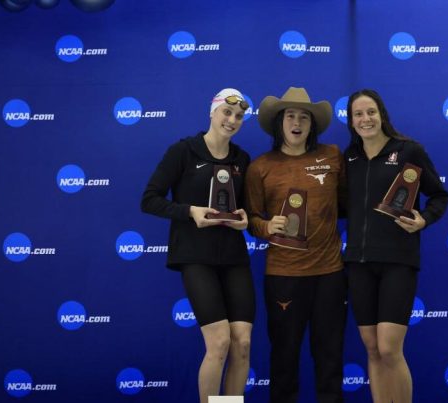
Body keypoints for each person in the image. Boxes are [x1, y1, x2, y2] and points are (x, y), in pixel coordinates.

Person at [141, 88, 254, 402]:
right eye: (227, 113)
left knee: (242, 344)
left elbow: (245, 208)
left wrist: (246, 218)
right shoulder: (184, 151)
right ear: (212, 112)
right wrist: (189, 212)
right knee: (219, 343)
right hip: (195, 256)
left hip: (233, 257)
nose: (232, 120)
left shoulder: (242, 159)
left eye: (239, 116)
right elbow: (149, 200)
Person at [343, 89, 448, 403]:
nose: (365, 119)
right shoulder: (349, 158)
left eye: (370, 112)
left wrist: (424, 219)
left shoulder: (408, 151)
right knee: (372, 348)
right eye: (358, 114)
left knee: (389, 348)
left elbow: (440, 195)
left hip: (397, 261)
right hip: (358, 263)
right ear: (351, 121)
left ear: (382, 115)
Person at [244, 87, 346, 403]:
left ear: (312, 125)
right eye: (290, 116)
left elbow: (347, 204)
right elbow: (250, 217)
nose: (297, 122)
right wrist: (266, 226)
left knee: (330, 356)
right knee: (284, 358)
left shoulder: (332, 156)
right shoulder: (260, 167)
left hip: (330, 273)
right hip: (283, 275)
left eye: (304, 117)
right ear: (279, 123)